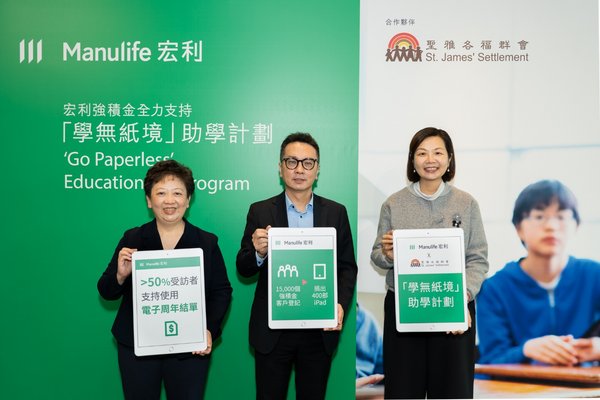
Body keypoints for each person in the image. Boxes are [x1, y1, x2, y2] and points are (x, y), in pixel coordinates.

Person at [236, 132, 358, 400]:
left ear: (318, 169)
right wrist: (257, 252)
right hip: (273, 332)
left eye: (308, 162)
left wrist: (339, 305)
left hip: (318, 330)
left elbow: (347, 267)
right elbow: (243, 267)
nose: (299, 169)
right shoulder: (261, 210)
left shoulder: (336, 212)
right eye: (291, 162)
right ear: (280, 168)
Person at [97, 159, 233, 400]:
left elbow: (221, 291)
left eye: (178, 193)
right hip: (137, 348)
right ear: (149, 201)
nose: (170, 201)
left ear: (188, 199)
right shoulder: (133, 238)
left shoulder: (206, 242)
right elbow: (106, 291)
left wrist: (209, 329)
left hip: (190, 348)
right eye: (161, 193)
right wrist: (120, 274)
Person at [370, 127, 489, 399]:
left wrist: (463, 295)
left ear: (449, 159)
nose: (430, 160)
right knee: (403, 389)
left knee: (452, 391)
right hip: (407, 306)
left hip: (451, 307)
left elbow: (478, 259)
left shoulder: (466, 203)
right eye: (422, 153)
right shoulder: (394, 203)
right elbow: (377, 255)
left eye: (438, 152)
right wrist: (388, 254)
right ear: (413, 160)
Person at [477, 180, 600, 366]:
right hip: (522, 392)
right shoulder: (494, 288)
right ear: (519, 228)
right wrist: (526, 350)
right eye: (539, 216)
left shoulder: (594, 276)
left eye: (561, 217)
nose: (551, 226)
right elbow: (490, 361)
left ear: (576, 226)